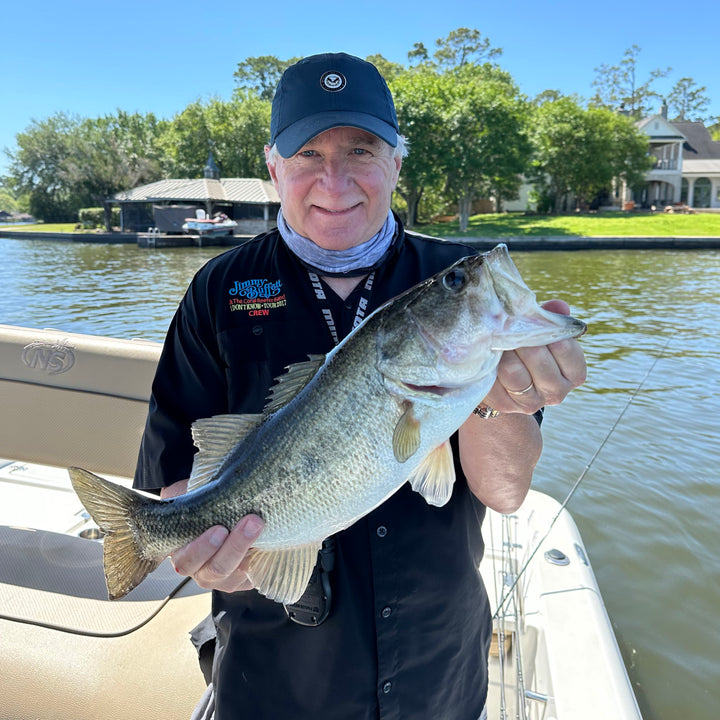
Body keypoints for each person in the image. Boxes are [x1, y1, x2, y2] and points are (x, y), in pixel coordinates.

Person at [134, 52, 586, 720]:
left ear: (397, 161)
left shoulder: (448, 274)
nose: (335, 178)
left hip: (437, 668)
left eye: (360, 149)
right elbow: (174, 477)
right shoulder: (220, 290)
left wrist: (503, 395)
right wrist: (202, 548)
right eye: (308, 153)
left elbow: (506, 491)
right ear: (273, 167)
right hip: (274, 674)